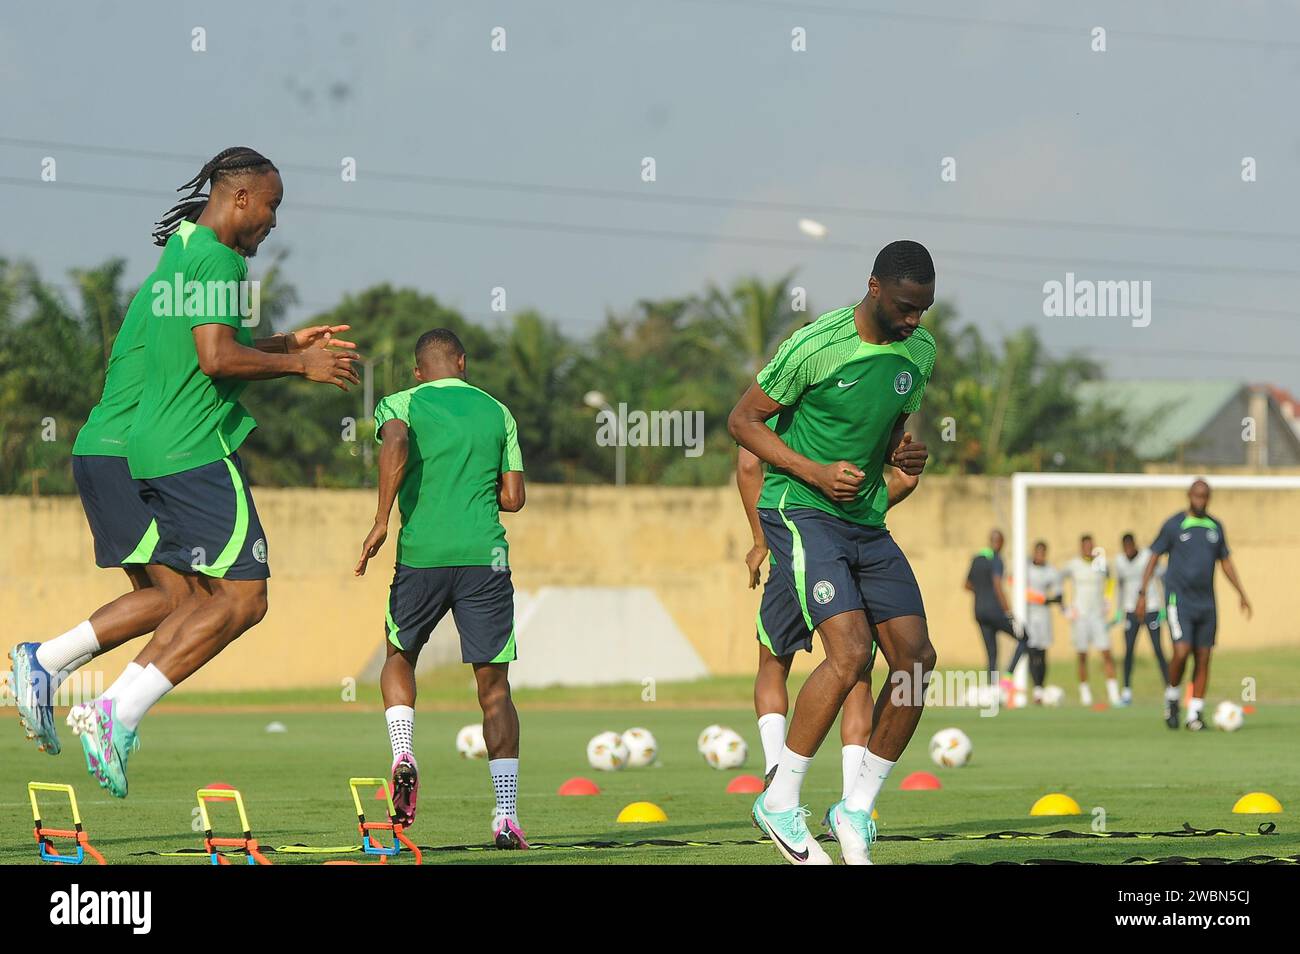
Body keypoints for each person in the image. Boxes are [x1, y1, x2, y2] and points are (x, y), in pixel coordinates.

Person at [68, 146, 359, 798]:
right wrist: (298, 368)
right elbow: (215, 357)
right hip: (193, 451)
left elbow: (202, 344)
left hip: (153, 450)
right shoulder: (219, 258)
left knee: (202, 599)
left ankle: (109, 710)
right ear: (242, 199)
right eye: (273, 206)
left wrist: (286, 345)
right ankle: (114, 712)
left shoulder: (184, 248)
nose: (275, 222)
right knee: (244, 598)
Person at [728, 239, 936, 866]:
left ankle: (855, 808)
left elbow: (892, 426)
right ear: (873, 287)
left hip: (865, 519)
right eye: (904, 306)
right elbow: (743, 422)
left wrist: (905, 452)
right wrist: (815, 472)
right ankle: (780, 798)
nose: (913, 321)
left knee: (916, 661)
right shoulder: (812, 347)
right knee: (847, 654)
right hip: (801, 507)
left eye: (923, 309)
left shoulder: (919, 351)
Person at [355, 329, 528, 849]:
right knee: (494, 690)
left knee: (399, 655)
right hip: (485, 558)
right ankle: (505, 817)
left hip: (422, 556)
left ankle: (404, 751)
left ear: (418, 371)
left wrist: (382, 518)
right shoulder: (499, 411)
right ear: (463, 363)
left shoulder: (400, 403)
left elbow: (397, 443)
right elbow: (515, 497)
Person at [739, 446, 919, 802]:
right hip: (851, 557)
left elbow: (748, 465)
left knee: (774, 660)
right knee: (857, 671)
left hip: (794, 549)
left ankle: (776, 770)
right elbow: (904, 479)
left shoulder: (781, 404)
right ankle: (853, 797)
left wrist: (761, 541)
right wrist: (861, 516)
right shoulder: (866, 414)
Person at [1135, 480, 1251, 731]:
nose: (1200, 500)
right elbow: (1153, 557)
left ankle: (1195, 715)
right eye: (1196, 496)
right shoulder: (1174, 524)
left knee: (1204, 656)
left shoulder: (1215, 527)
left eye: (1205, 497)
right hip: (1179, 601)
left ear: (1209, 498)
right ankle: (1172, 698)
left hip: (1206, 603)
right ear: (1189, 495)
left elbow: (1226, 562)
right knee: (1181, 651)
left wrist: (1241, 592)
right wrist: (1142, 593)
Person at [964, 529, 1027, 702]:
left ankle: (992, 693)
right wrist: (1009, 614)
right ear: (1000, 543)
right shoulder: (996, 559)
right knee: (1024, 637)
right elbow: (998, 585)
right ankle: (1007, 678)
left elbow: (967, 585)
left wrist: (982, 592)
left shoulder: (976, 559)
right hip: (994, 610)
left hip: (979, 611)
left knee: (991, 653)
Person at [1059, 534, 1118, 707]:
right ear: (1081, 547)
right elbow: (1058, 581)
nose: (1088, 549)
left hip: (1097, 616)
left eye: (1090, 546)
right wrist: (1065, 608)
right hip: (1081, 617)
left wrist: (1107, 599)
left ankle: (1114, 694)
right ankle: (1085, 693)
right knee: (1082, 655)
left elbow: (1111, 580)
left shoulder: (1101, 564)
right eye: (1085, 546)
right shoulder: (1073, 565)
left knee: (1106, 653)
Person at [1113, 531, 1168, 705]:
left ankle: (1169, 689)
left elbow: (1163, 579)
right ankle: (1127, 691)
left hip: (1151, 608)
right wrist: (1119, 609)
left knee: (1158, 650)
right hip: (1131, 610)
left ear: (1135, 544)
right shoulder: (1119, 562)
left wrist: (1164, 607)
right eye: (1125, 547)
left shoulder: (1147, 557)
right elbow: (1119, 586)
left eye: (1130, 546)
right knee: (1128, 651)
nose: (1128, 550)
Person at [1023, 541, 1062, 703]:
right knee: (1031, 651)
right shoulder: (1025, 569)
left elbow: (1058, 596)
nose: (1040, 556)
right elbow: (1014, 583)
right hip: (1029, 615)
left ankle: (1040, 685)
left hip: (1043, 615)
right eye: (1037, 552)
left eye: (1043, 553)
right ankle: (1036, 689)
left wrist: (1046, 599)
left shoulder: (1051, 571)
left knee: (1042, 653)